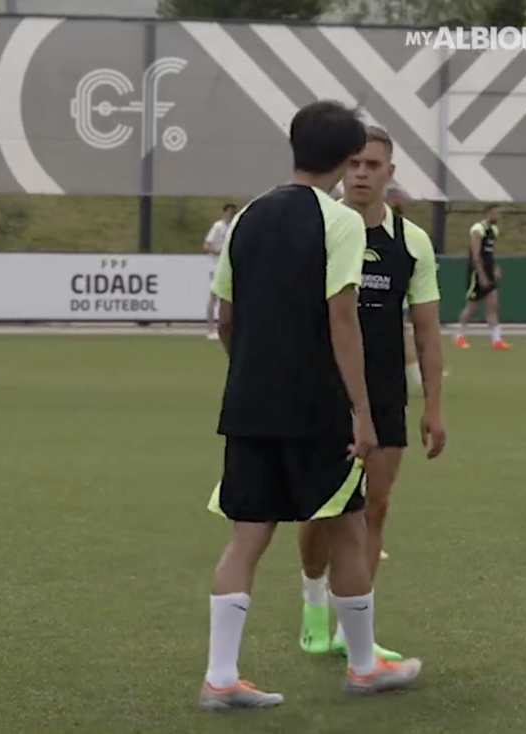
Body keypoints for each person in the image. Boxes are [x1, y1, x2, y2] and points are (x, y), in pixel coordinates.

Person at [198, 102, 422, 711]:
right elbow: (342, 320)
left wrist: (249, 373)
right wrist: (362, 410)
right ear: (347, 159)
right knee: (347, 527)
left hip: (249, 402)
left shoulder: (246, 217)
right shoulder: (340, 222)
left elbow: (224, 317)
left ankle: (220, 676)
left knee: (247, 536)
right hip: (316, 407)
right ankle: (363, 667)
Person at [298, 126, 446, 663]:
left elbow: (427, 331)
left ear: (390, 172)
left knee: (375, 507)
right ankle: (313, 606)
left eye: (373, 165)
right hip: (323, 392)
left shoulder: (411, 241)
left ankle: (350, 628)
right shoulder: (315, 228)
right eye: (355, 164)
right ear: (343, 167)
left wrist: (433, 406)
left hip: (384, 394)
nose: (362, 174)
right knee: (321, 509)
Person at [453, 205, 511, 349]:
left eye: (499, 213)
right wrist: (481, 275)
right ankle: (459, 336)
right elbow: (475, 254)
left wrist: (494, 267)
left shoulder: (494, 230)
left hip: (489, 272)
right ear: (487, 213)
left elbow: (490, 252)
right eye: (495, 213)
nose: (497, 216)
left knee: (493, 305)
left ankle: (497, 340)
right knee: (471, 307)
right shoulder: (478, 229)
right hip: (477, 273)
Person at [387, 185, 422, 390]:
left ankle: (413, 376)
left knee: (404, 334)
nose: (402, 202)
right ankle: (415, 377)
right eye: (398, 197)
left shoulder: (404, 228)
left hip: (399, 290)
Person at [203, 203, 237, 339]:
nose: (231, 215)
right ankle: (210, 329)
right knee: (214, 297)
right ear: (224, 213)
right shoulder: (218, 227)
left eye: (233, 213)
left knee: (229, 298)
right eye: (229, 212)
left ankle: (228, 328)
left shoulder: (234, 227)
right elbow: (206, 246)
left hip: (229, 267)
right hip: (216, 267)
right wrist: (218, 251)